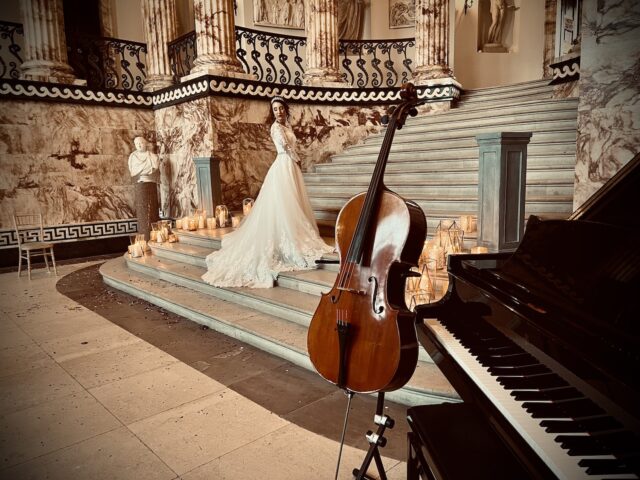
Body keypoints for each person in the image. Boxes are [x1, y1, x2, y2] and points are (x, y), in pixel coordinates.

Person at [201, 96, 334, 288]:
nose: (278, 112)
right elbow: (287, 148)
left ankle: (296, 232)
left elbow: (292, 146)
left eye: (281, 108)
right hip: (283, 164)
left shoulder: (287, 126)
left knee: (293, 201)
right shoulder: (276, 128)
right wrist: (297, 160)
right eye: (275, 109)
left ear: (285, 110)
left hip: (290, 166)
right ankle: (288, 237)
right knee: (284, 201)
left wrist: (296, 162)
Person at [128, 136, 160, 240]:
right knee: (143, 219)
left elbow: (155, 167)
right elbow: (133, 171)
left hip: (150, 183)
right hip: (140, 183)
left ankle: (153, 237)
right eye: (137, 144)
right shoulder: (132, 157)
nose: (139, 145)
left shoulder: (153, 157)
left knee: (151, 215)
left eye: (141, 143)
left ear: (145, 143)